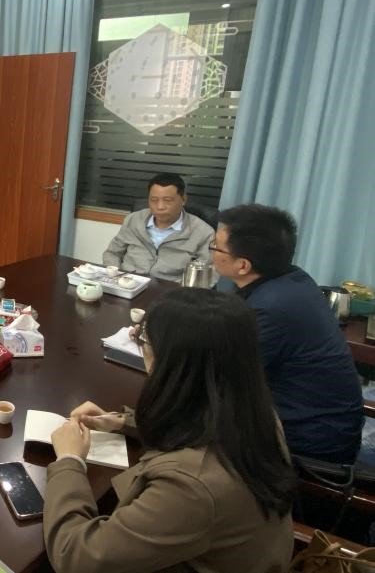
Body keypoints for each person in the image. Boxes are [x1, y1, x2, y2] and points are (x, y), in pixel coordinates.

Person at [44, 289, 295, 573]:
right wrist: (122, 422)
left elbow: (77, 556)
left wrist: (69, 461)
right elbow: (199, 425)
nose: (138, 342)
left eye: (143, 338)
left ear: (176, 362)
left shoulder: (191, 487)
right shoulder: (255, 412)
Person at [212, 204, 363, 463]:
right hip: (312, 420)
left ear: (243, 265)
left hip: (307, 443)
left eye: (216, 247)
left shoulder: (271, 308)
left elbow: (225, 378)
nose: (212, 251)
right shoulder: (291, 277)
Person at [102, 173, 214, 283]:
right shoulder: (133, 220)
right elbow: (112, 253)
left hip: (170, 289)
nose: (160, 206)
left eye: (168, 200)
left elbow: (207, 274)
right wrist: (116, 277)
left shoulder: (203, 232)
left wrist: (180, 291)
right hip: (127, 282)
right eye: (154, 200)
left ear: (183, 199)